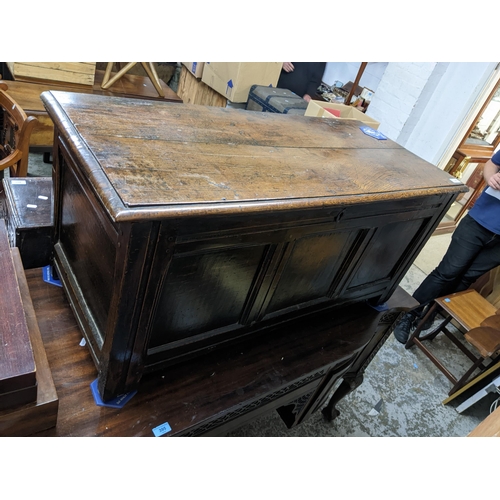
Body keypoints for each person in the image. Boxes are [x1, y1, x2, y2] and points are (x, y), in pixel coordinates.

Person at [393, 150, 500, 343]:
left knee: (466, 279)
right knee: (448, 272)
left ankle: (431, 312)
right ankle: (409, 314)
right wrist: (491, 177)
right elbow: (492, 163)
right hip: (479, 222)